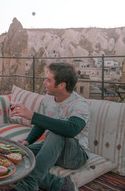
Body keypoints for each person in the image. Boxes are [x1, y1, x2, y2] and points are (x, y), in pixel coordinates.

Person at [10, 63, 89, 191]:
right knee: (18, 154)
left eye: (48, 80)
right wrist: (28, 141)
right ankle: (60, 184)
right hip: (53, 149)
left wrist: (32, 115)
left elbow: (71, 129)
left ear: (62, 85)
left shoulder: (79, 104)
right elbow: (41, 124)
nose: (44, 83)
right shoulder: (48, 99)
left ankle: (28, 185)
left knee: (55, 133)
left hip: (75, 155)